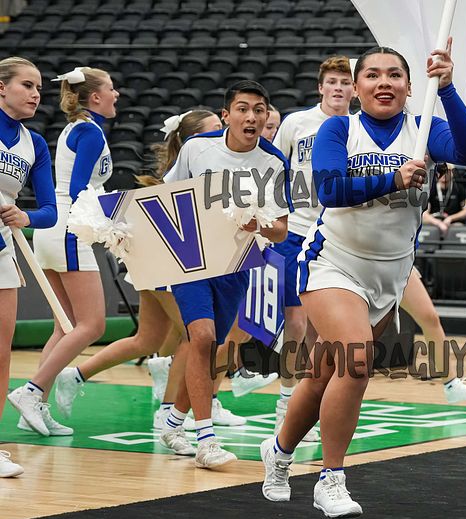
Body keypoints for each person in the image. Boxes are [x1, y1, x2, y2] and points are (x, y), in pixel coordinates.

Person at [260, 42, 466, 518]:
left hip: (391, 272)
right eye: (373, 75)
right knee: (357, 359)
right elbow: (330, 188)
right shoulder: (338, 127)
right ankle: (331, 478)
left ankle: (278, 452)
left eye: (395, 75)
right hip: (332, 261)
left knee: (325, 374)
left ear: (409, 86)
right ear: (357, 87)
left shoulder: (424, 129)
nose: (384, 82)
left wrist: (445, 89)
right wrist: (393, 180)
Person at [51, 110, 260, 431]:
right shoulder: (186, 174)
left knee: (147, 339)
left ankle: (76, 374)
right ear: (194, 140)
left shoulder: (210, 169)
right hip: (165, 266)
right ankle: (169, 410)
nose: (223, 133)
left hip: (167, 267)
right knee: (196, 336)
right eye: (215, 128)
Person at [158, 81, 291, 469]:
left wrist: (258, 225)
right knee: (201, 337)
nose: (252, 116)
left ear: (267, 116)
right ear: (226, 115)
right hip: (190, 257)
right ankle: (206, 440)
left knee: (212, 349)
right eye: (243, 108)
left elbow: (281, 228)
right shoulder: (197, 149)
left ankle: (172, 422)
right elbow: (168, 195)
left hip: (236, 261)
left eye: (260, 110)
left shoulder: (272, 162)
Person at [9, 66, 117, 437]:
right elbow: (77, 189)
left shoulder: (80, 128)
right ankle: (31, 390)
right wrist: (108, 220)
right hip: (70, 227)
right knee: (93, 325)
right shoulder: (89, 131)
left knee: (65, 325)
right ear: (96, 97)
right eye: (111, 89)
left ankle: (33, 405)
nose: (116, 95)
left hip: (58, 228)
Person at [269, 55, 355, 443]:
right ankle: (285, 404)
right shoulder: (295, 123)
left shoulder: (359, 127)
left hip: (337, 233)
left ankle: (311, 403)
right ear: (321, 87)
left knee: (323, 331)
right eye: (333, 81)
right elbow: (274, 170)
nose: (339, 87)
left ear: (355, 90)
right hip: (297, 229)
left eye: (345, 82)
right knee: (296, 322)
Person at [0, 57, 57, 478]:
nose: (36, 93)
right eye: (26, 85)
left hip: (3, 249)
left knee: (2, 352)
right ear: (2, 88)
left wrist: (25, 218)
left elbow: (51, 211)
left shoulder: (34, 144)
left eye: (38, 87)